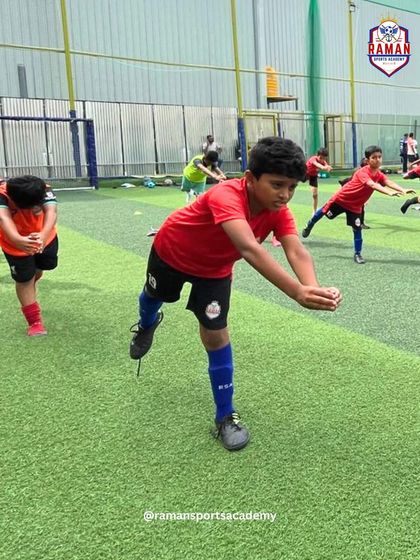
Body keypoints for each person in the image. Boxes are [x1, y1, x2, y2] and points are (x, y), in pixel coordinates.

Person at [129, 137, 342, 452]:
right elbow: (248, 248)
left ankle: (225, 416)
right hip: (171, 253)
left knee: (216, 336)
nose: (285, 195)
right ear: (250, 179)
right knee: (152, 297)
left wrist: (312, 287)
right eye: (277, 185)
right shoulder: (226, 195)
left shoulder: (279, 211)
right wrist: (297, 291)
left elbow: (295, 249)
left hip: (214, 271)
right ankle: (146, 325)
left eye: (292, 187)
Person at [302, 145, 416, 264]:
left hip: (355, 206)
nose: (377, 160)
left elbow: (388, 182)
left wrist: (402, 189)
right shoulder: (363, 172)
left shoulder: (379, 174)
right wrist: (389, 192)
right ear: (367, 160)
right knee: (324, 211)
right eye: (374, 157)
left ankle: (357, 254)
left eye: (379, 157)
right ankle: (310, 224)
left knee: (357, 228)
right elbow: (372, 185)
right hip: (341, 200)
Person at [0, 175, 58, 336]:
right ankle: (34, 322)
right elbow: (3, 217)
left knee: (40, 270)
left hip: (46, 238)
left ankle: (29, 283)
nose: (36, 209)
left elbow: (52, 211)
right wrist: (17, 240)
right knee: (25, 280)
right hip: (14, 245)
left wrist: (43, 236)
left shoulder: (43, 188)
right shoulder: (3, 195)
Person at [338, 157, 371, 229]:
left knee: (359, 208)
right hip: (355, 192)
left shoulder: (359, 171)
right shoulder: (360, 172)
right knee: (359, 208)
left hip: (353, 191)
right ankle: (360, 224)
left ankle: (359, 223)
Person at [306, 148, 333, 214]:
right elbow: (320, 166)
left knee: (315, 195)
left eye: (324, 158)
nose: (322, 160)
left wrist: (329, 168)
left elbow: (326, 167)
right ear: (317, 155)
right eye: (321, 158)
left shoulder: (323, 162)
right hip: (305, 173)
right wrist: (326, 167)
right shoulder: (313, 159)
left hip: (313, 176)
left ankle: (314, 211)